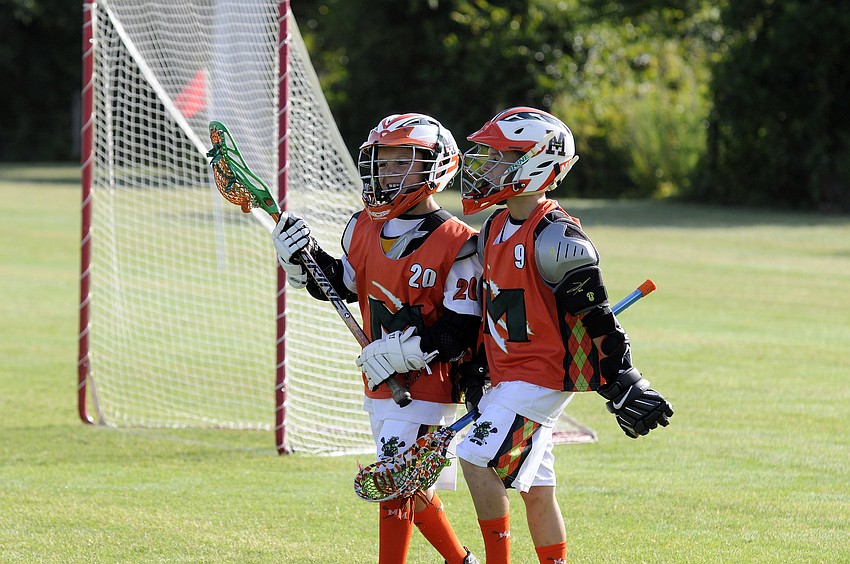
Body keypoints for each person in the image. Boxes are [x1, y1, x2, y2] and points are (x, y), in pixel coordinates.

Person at [455, 106, 674, 564]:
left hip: (539, 376)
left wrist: (625, 382)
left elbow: (597, 320)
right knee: (536, 486)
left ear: (533, 163)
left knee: (476, 459)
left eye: (499, 156)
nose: (486, 167)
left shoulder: (557, 238)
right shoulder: (494, 226)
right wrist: (476, 372)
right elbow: (489, 312)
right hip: (509, 375)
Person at [272, 113, 482, 564]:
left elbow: (459, 329)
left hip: (425, 383)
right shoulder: (362, 225)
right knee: (409, 483)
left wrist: (403, 351)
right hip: (380, 382)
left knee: (391, 480)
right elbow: (341, 284)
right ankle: (461, 560)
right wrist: (300, 260)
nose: (387, 173)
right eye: (382, 162)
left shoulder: (458, 242)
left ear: (436, 167)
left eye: (401, 162)